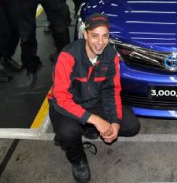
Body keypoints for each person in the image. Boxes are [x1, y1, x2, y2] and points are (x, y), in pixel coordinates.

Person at [49, 13, 140, 183]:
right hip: (68, 105)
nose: (100, 42)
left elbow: (111, 91)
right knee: (67, 133)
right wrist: (96, 120)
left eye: (105, 36)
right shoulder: (68, 56)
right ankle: (78, 160)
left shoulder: (111, 55)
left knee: (131, 126)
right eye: (95, 35)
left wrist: (114, 122)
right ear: (85, 34)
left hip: (93, 101)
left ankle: (88, 127)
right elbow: (61, 98)